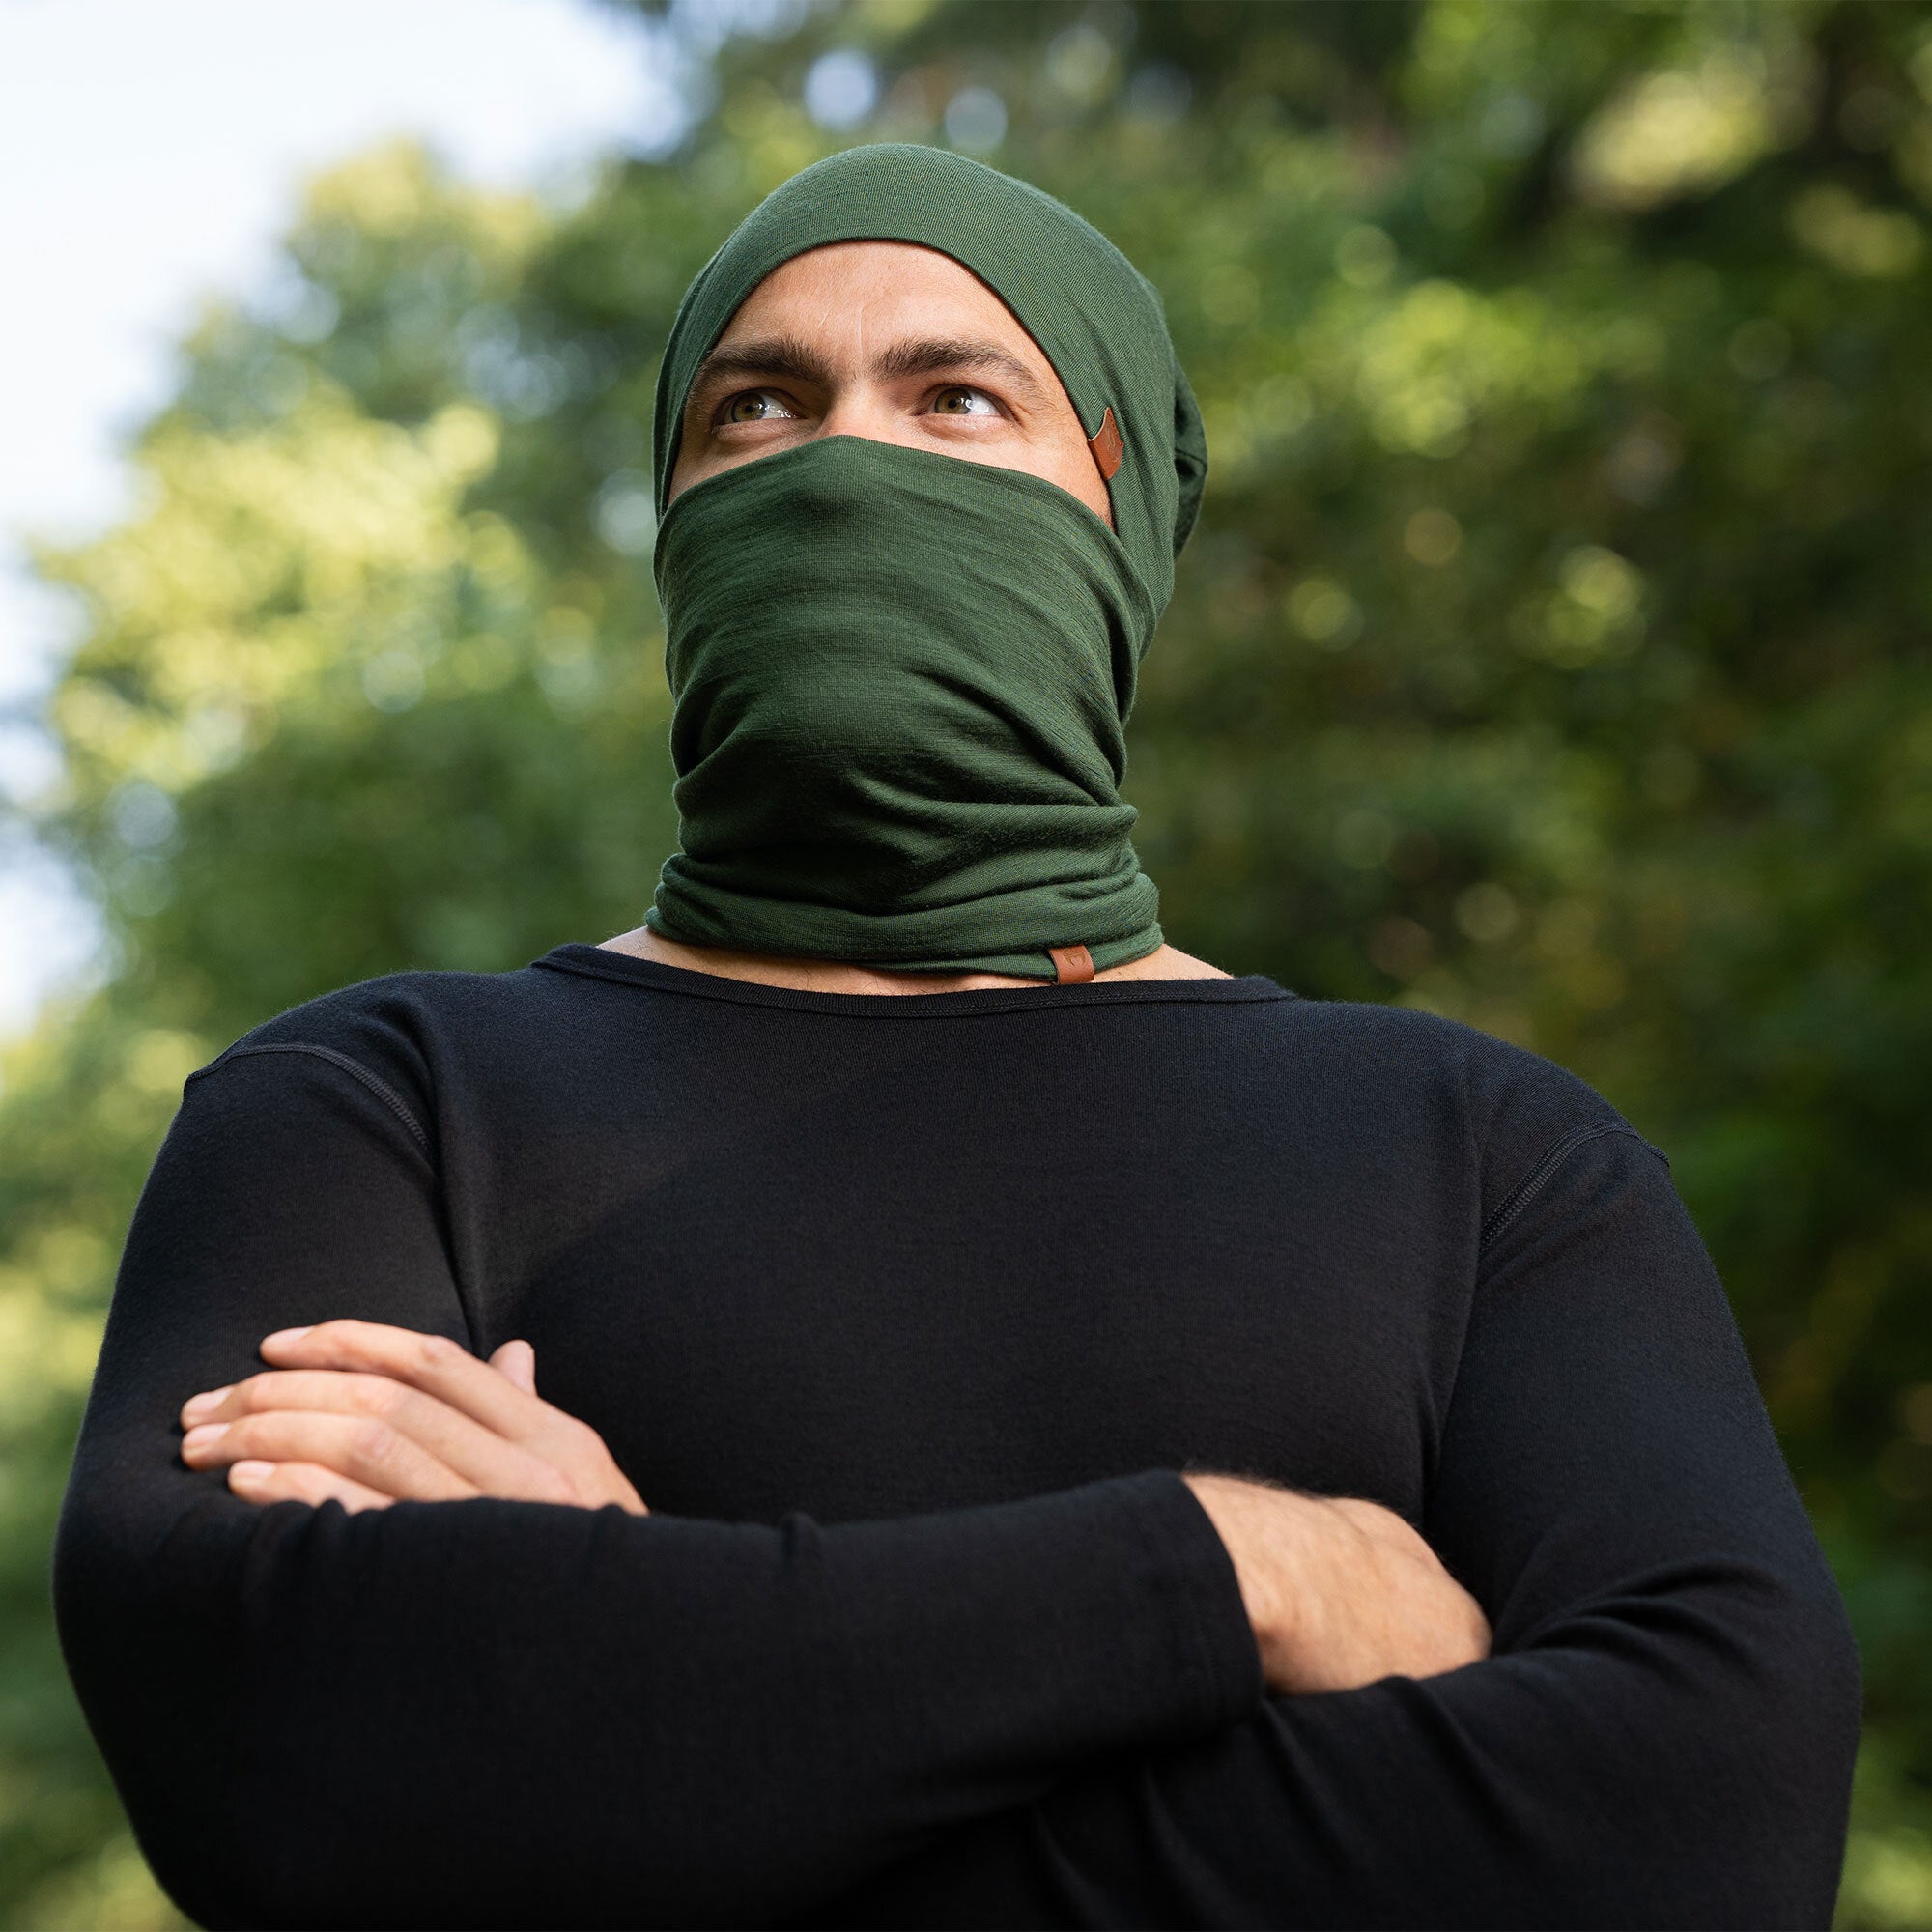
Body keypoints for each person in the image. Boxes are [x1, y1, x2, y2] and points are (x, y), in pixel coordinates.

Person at [54, 144, 1860, 1931]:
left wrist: (646, 1648)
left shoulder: (1477, 1148)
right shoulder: (380, 1109)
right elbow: (279, 1763)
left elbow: (1708, 1820)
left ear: (1124, 509)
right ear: (672, 524)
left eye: (958, 397)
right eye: (757, 405)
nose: (844, 464)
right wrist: (1244, 1573)